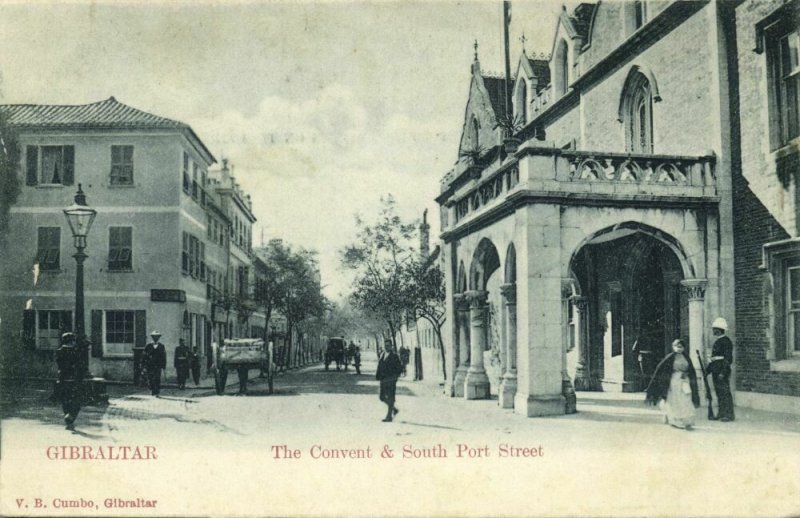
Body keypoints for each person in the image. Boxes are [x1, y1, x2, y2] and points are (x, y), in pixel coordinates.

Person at [645, 339, 700, 430]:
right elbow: (660, 369)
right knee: (675, 400)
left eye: (681, 347)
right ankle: (675, 420)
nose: (679, 349)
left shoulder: (686, 357)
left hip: (685, 381)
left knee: (686, 400)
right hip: (674, 381)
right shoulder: (670, 357)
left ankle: (687, 421)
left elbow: (691, 370)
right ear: (673, 347)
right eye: (677, 347)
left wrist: (687, 374)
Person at [709, 317, 735, 421]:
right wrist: (707, 370)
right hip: (716, 370)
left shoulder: (726, 341)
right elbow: (714, 359)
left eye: (714, 329)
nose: (713, 331)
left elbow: (728, 359)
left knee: (725, 393)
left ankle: (728, 415)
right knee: (719, 392)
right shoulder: (718, 341)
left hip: (721, 371)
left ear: (719, 329)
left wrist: (723, 372)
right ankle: (721, 413)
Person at [56, 332, 83, 431]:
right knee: (77, 401)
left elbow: (60, 366)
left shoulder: (59, 351)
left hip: (63, 380)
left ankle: (68, 422)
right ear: (72, 341)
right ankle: (70, 417)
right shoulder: (76, 352)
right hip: (74, 380)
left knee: (65, 401)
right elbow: (80, 367)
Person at [376, 339, 403, 422]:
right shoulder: (382, 354)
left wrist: (394, 379)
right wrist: (378, 375)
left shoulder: (394, 356)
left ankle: (389, 417)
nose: (386, 347)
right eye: (385, 345)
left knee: (391, 397)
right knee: (381, 397)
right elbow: (380, 366)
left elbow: (399, 369)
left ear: (391, 346)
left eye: (388, 345)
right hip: (383, 379)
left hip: (391, 380)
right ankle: (394, 409)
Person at [143, 331, 167, 396]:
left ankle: (157, 392)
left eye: (157, 337)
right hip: (150, 365)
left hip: (158, 365)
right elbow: (144, 356)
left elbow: (164, 356)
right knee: (151, 378)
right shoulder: (148, 346)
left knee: (157, 378)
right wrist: (144, 365)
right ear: (152, 337)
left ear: (159, 338)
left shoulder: (162, 346)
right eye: (154, 337)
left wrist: (164, 365)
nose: (155, 338)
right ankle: (152, 389)